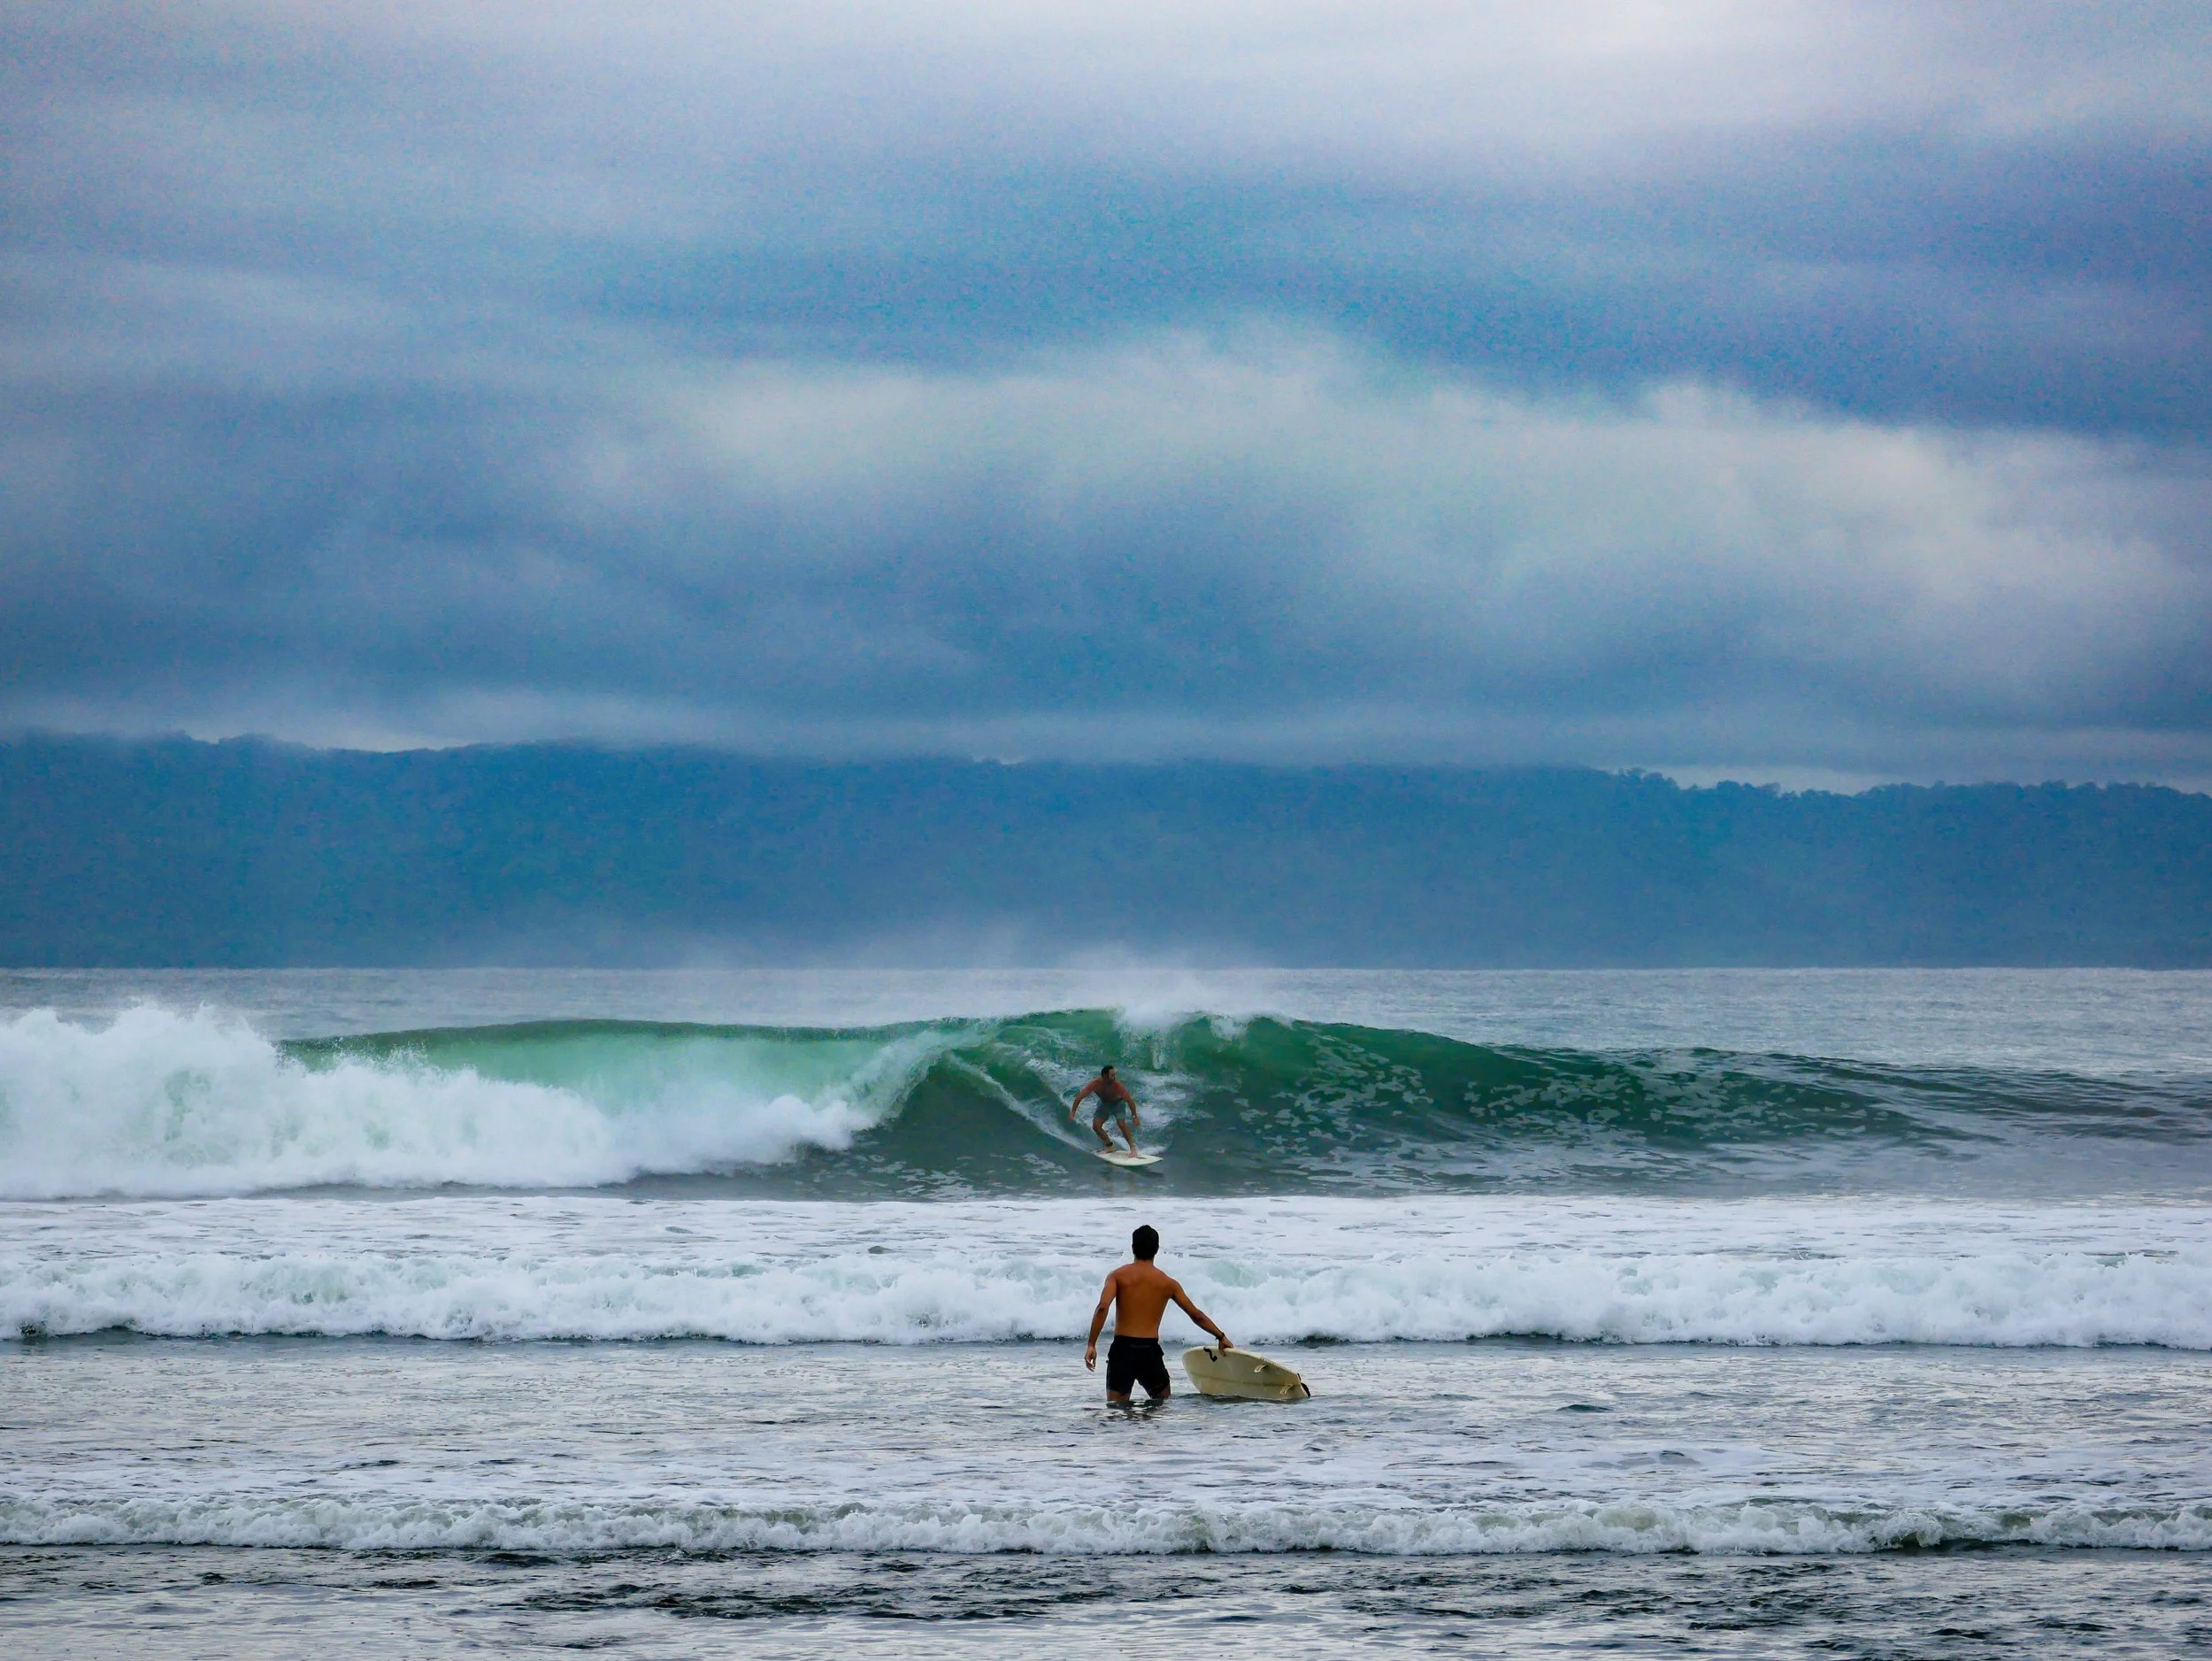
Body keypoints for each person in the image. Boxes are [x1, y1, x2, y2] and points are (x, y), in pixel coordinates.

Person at [1085, 1224, 1231, 1402]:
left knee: (1117, 1412)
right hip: (1149, 1352)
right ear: (1157, 1250)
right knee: (1162, 1406)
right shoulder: (1168, 1283)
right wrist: (1221, 1336)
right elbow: (1196, 1315)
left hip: (1122, 1352)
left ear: (1133, 1248)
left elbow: (1102, 1307)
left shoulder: (1117, 1276)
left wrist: (1092, 1344)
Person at [1070, 1063, 1141, 1153]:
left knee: (1121, 1124)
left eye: (1115, 1075)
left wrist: (1134, 1116)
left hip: (1118, 1104)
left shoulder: (1117, 1085)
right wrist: (1073, 1111)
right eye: (1112, 1075)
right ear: (1105, 1076)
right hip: (1104, 1104)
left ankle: (1133, 1148)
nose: (1114, 1077)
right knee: (1096, 1126)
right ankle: (1110, 1146)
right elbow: (1080, 1097)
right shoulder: (1095, 1084)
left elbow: (1129, 1100)